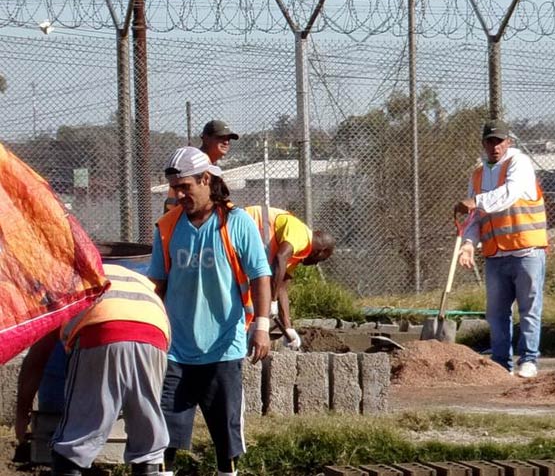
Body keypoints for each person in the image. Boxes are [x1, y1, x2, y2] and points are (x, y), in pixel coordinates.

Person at [148, 146, 272, 476]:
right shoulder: (166, 228)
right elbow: (156, 284)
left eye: (185, 187)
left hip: (223, 347)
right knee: (164, 438)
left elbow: (261, 276)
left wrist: (261, 326)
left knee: (225, 439)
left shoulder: (237, 222)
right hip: (176, 351)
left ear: (206, 179)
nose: (178, 194)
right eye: (175, 188)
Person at [15, 264, 171, 476]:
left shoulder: (67, 284)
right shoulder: (134, 277)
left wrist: (21, 413)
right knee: (147, 435)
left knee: (76, 437)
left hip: (101, 329)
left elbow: (36, 360)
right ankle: (150, 467)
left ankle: (68, 468)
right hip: (155, 331)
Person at [454, 119, 547, 379]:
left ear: (509, 142)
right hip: (495, 254)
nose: (495, 146)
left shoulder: (519, 164)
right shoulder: (478, 174)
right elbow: (475, 217)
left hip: (526, 250)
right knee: (496, 313)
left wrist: (475, 201)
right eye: (490, 141)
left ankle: (528, 360)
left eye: (499, 141)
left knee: (529, 308)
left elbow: (509, 193)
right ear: (483, 143)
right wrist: (469, 244)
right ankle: (500, 363)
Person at [243, 206, 336, 349]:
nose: (316, 263)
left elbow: (281, 288)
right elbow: (280, 257)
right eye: (320, 260)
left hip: (247, 242)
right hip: (242, 225)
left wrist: (288, 327)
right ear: (321, 252)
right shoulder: (302, 236)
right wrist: (271, 300)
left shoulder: (298, 255)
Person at [164, 119, 239, 212]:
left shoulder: (207, 163)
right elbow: (173, 202)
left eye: (228, 139)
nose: (226, 142)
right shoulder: (195, 163)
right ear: (206, 138)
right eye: (221, 137)